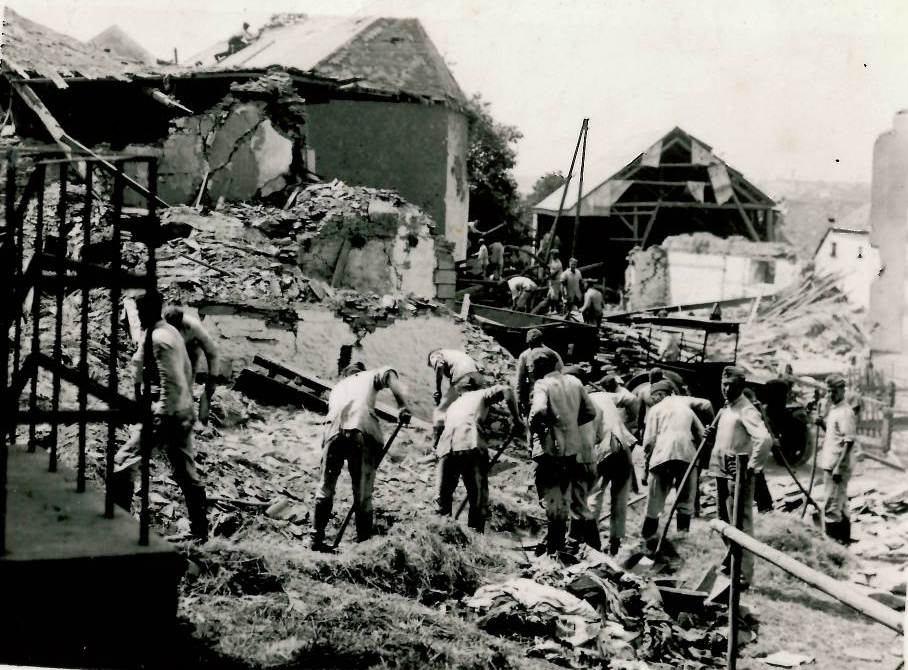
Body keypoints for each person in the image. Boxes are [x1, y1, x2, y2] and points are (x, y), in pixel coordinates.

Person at [112, 291, 208, 541]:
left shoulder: (159, 339)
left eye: (138, 311)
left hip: (168, 413)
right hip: (182, 411)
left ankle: (118, 530)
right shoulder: (167, 331)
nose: (136, 315)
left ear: (147, 311)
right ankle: (200, 533)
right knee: (186, 472)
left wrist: (160, 416)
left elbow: (171, 382)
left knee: (122, 463)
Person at [311, 363, 412, 551]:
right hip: (360, 429)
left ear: (345, 374)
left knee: (325, 488)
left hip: (332, 431)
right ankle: (363, 546)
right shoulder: (367, 376)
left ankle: (315, 539)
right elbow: (389, 373)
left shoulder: (337, 387)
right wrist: (403, 406)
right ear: (360, 372)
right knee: (363, 494)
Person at [705, 366, 772, 588]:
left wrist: (751, 467)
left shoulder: (746, 409)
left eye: (731, 386)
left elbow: (764, 440)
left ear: (741, 387)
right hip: (721, 470)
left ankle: (744, 575)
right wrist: (710, 435)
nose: (725, 389)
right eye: (723, 384)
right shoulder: (727, 408)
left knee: (740, 524)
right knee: (723, 521)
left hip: (738, 474)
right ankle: (731, 562)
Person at [528, 356, 597, 555]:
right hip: (571, 450)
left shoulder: (543, 384)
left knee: (551, 498)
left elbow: (539, 410)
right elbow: (590, 412)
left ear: (538, 370)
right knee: (563, 498)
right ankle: (557, 548)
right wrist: (570, 424)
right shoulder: (575, 382)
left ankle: (553, 549)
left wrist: (536, 427)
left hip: (550, 449)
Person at [434, 382, 521, 532]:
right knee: (478, 498)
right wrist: (517, 419)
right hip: (470, 443)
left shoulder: (454, 405)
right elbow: (506, 389)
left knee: (442, 501)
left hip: (447, 447)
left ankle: (443, 534)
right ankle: (476, 536)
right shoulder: (481, 394)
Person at [640, 381, 704, 543]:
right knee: (685, 502)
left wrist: (645, 468)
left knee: (654, 502)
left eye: (654, 397)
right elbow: (702, 433)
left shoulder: (655, 410)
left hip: (662, 456)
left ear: (661, 394)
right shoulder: (686, 409)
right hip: (687, 457)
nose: (652, 401)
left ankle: (648, 540)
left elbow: (648, 442)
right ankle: (682, 540)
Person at [580, 389, 637, 555]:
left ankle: (592, 545)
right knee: (620, 499)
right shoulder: (605, 396)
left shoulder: (581, 402)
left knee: (594, 495)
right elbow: (632, 398)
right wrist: (631, 420)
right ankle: (615, 545)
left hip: (603, 449)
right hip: (623, 445)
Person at [162, 306, 222, 425]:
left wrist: (208, 392)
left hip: (191, 349)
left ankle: (186, 416)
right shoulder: (159, 326)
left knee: (186, 384)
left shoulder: (194, 326)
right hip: (169, 350)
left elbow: (212, 353)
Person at [816, 374, 857, 544]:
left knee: (831, 507)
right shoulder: (835, 409)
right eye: (828, 391)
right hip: (831, 464)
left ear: (842, 390)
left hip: (837, 467)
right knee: (840, 503)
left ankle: (833, 547)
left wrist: (839, 467)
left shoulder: (845, 412)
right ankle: (844, 542)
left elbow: (849, 441)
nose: (830, 395)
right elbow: (835, 434)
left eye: (834, 391)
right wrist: (821, 423)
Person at [427, 349, 483, 444]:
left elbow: (439, 365)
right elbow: (480, 368)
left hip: (463, 377)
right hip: (477, 379)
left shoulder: (435, 355)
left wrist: (438, 390)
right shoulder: (455, 354)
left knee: (441, 411)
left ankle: (435, 443)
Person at [514, 328, 564, 417]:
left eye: (534, 343)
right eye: (530, 344)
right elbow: (519, 379)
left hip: (552, 395)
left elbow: (562, 375)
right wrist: (518, 398)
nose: (531, 346)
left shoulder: (552, 354)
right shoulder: (524, 356)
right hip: (534, 396)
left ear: (541, 341)